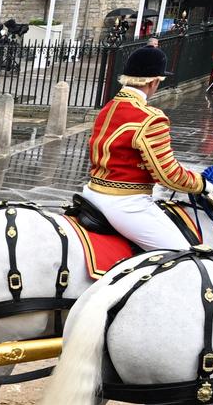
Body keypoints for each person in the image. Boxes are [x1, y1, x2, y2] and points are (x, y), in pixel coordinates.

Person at [79, 45, 204, 252]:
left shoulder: (109, 107)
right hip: (125, 204)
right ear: (154, 82)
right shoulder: (150, 117)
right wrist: (201, 184)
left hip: (92, 193)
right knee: (185, 256)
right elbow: (169, 175)